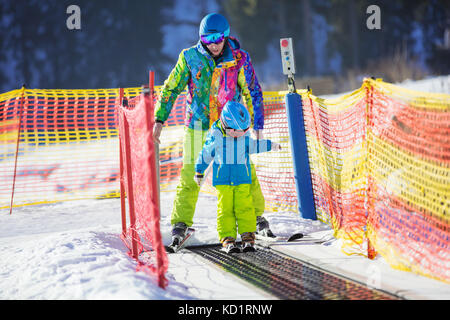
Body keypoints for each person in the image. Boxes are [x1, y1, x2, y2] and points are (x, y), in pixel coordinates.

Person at [152, 13, 274, 246]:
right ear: (202, 39)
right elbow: (170, 89)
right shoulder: (190, 58)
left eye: (219, 38)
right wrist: (159, 119)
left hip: (231, 128)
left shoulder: (239, 59)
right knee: (190, 174)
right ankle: (181, 222)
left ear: (226, 36)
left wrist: (257, 125)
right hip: (198, 124)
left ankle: (257, 216)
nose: (215, 44)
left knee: (244, 173)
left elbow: (253, 91)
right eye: (209, 39)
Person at [193, 101, 281, 252]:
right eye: (238, 130)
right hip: (223, 181)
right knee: (225, 210)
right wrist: (199, 171)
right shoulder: (216, 137)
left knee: (245, 208)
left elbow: (255, 145)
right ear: (225, 123)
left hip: (242, 179)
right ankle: (228, 238)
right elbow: (205, 154)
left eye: (244, 130)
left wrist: (270, 145)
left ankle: (248, 236)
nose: (241, 133)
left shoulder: (244, 137)